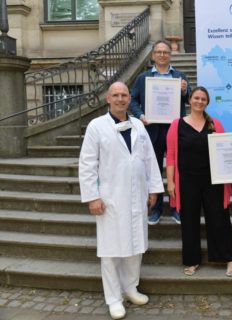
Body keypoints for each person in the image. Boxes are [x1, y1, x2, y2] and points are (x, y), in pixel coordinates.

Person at [79, 82, 164, 319]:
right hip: (110, 199)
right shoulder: (97, 126)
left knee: (136, 245)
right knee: (111, 249)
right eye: (115, 95)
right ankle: (114, 298)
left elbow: (149, 160)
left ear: (129, 99)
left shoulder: (138, 125)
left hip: (137, 195)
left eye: (124, 95)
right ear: (108, 99)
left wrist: (154, 188)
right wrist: (92, 197)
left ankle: (130, 287)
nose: (120, 99)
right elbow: (87, 164)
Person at [166, 87, 232, 277]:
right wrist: (170, 182)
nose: (199, 101)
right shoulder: (176, 125)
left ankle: (229, 259)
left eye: (203, 99)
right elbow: (171, 156)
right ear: (189, 100)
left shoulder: (216, 124)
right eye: (196, 98)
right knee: (189, 221)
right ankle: (191, 260)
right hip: (187, 181)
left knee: (219, 219)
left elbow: (226, 152)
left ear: (207, 102)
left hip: (214, 181)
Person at [129, 39, 191, 225]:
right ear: (153, 55)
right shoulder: (143, 78)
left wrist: (185, 90)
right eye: (159, 52)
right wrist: (140, 115)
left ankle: (176, 208)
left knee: (178, 169)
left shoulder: (180, 76)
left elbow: (190, 99)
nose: (162, 55)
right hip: (152, 128)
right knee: (153, 169)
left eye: (166, 52)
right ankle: (155, 209)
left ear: (170, 55)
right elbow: (132, 101)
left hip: (175, 129)